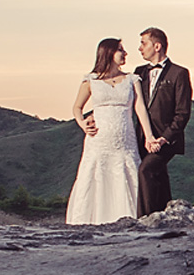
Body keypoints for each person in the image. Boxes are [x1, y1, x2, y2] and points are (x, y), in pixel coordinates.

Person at [65, 38, 159, 225]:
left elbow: (140, 108)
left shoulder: (132, 80)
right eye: (120, 50)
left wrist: (149, 136)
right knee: (95, 176)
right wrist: (83, 123)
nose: (125, 54)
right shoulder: (91, 80)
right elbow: (77, 107)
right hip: (98, 141)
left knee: (127, 175)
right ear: (108, 53)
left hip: (125, 141)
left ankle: (131, 220)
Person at [134, 27, 193, 216]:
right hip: (141, 137)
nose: (139, 48)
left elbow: (183, 113)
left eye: (143, 43)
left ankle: (145, 220)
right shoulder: (138, 72)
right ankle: (165, 215)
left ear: (157, 46)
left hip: (166, 139)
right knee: (158, 175)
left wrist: (163, 138)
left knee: (146, 170)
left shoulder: (179, 73)